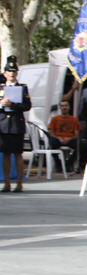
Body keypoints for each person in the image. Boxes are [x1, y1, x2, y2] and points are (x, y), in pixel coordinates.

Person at [1, 56, 31, 193]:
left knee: (18, 154)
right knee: (6, 154)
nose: (12, 73)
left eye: (14, 71)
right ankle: (7, 183)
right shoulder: (1, 88)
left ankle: (19, 183)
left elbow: (27, 105)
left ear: (17, 73)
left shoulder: (22, 88)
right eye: (9, 71)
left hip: (16, 124)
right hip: (3, 124)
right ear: (4, 73)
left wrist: (11, 104)